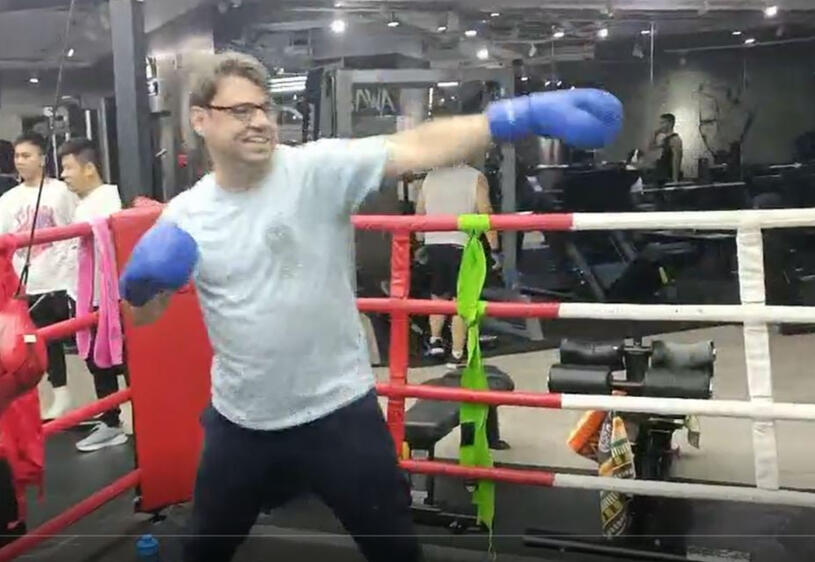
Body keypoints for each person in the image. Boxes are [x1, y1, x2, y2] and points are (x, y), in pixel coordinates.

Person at [117, 52, 622, 562]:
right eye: (241, 111)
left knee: (395, 551)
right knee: (202, 550)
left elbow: (413, 146)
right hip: (242, 423)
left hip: (338, 414)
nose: (262, 122)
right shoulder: (187, 216)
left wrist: (517, 116)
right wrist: (140, 290)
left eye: (266, 109)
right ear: (201, 119)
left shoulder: (313, 170)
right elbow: (143, 317)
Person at [0, 132, 77, 420]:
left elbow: (75, 229)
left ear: (43, 159)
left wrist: (70, 269)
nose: (20, 161)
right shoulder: (8, 199)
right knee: (37, 344)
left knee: (75, 339)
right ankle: (60, 393)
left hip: (61, 279)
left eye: (26, 155)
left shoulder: (61, 192)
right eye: (17, 156)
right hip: (28, 284)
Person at [58, 137, 127, 452]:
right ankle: (111, 423)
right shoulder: (86, 204)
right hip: (89, 300)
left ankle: (126, 423)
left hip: (110, 302)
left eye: (68, 167)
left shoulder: (108, 200)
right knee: (97, 363)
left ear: (89, 168)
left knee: (120, 362)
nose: (64, 174)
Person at [416, 163, 499, 368]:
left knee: (438, 295)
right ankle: (457, 352)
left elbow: (419, 211)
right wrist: (495, 246)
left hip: (434, 242)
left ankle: (435, 341)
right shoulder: (475, 177)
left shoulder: (431, 176)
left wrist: (420, 239)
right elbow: (485, 211)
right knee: (462, 300)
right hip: (462, 244)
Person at [649, 113, 683, 184]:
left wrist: (675, 180)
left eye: (662, 123)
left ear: (670, 123)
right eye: (660, 123)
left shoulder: (675, 139)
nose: (660, 126)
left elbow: (676, 159)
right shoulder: (665, 140)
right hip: (661, 176)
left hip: (668, 177)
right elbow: (651, 148)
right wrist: (655, 134)